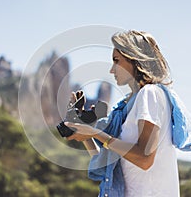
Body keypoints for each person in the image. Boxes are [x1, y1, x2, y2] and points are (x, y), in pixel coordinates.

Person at [65, 30, 180, 197]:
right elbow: (105, 164)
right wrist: (86, 134)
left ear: (135, 59)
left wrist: (96, 133)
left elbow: (144, 158)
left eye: (116, 61)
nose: (112, 70)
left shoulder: (150, 94)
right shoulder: (127, 106)